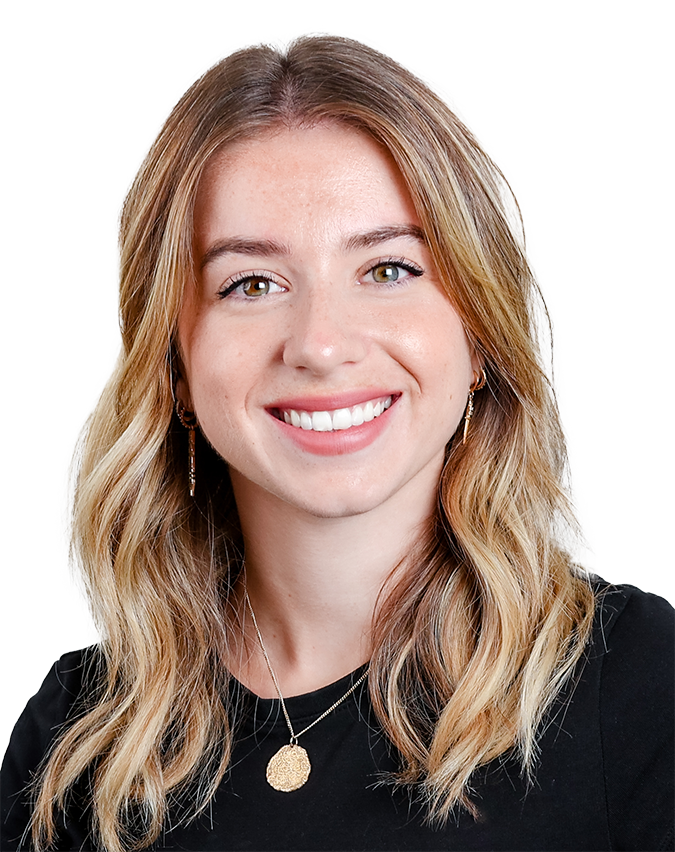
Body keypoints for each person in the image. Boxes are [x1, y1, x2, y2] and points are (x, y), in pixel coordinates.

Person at [1, 32, 674, 852]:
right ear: (173, 365)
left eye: (388, 270)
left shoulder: (640, 682)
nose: (320, 345)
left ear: (479, 338)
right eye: (251, 283)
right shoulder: (76, 737)